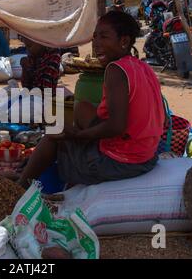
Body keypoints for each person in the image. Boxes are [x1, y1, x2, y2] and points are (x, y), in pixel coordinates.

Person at [18, 11, 165, 189]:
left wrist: (77, 136)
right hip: (146, 155)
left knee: (52, 137)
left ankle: (19, 187)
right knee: (82, 108)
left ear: (124, 41)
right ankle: (75, 159)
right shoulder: (142, 66)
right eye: (95, 37)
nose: (96, 44)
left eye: (104, 37)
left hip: (123, 162)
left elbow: (116, 126)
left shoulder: (116, 70)